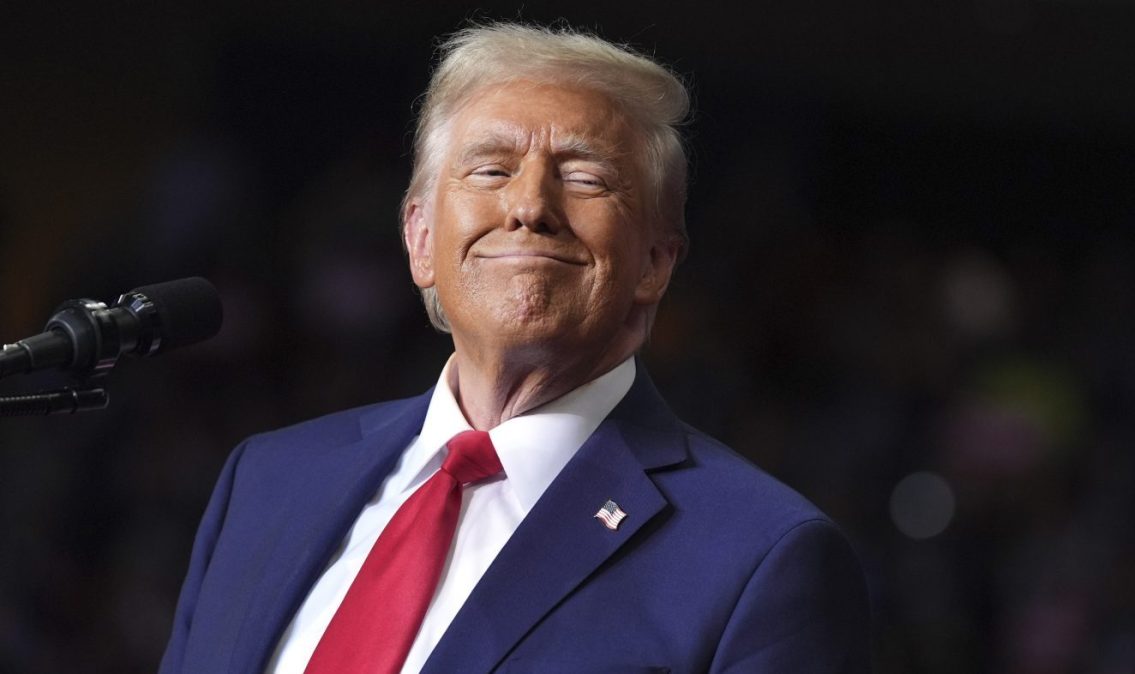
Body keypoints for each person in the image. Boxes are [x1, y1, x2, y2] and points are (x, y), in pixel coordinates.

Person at [160, 22, 870, 674]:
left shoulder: (761, 560)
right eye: (491, 170)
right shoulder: (266, 480)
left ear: (655, 261)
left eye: (585, 176)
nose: (529, 205)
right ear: (421, 240)